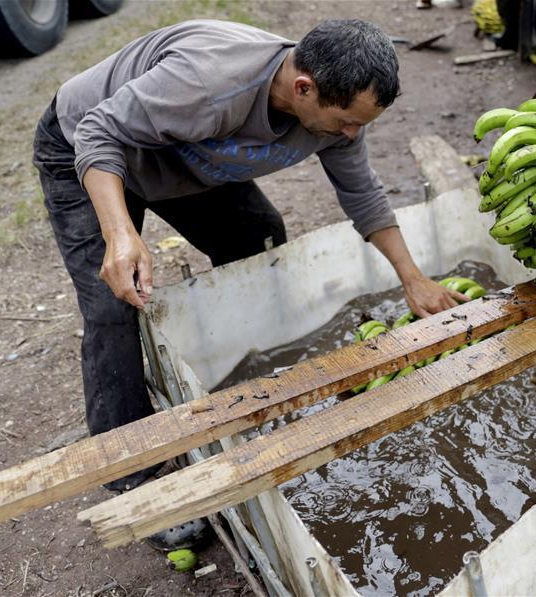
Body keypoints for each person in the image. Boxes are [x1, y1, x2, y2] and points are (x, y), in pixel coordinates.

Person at [32, 19, 468, 502]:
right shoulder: (208, 84)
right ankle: (131, 473)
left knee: (255, 235)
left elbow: (362, 193)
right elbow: (98, 129)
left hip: (182, 154)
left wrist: (413, 279)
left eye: (361, 124)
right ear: (304, 88)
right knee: (113, 303)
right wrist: (120, 235)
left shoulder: (338, 119)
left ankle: (239, 377)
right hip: (89, 144)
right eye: (348, 120)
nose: (351, 134)